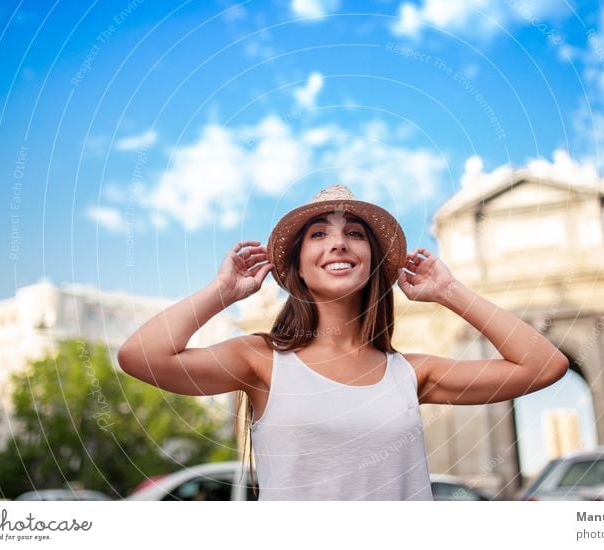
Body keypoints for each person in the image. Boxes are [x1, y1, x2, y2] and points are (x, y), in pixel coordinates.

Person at [117, 184, 569, 501]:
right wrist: (223, 292)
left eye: (354, 234)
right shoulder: (259, 360)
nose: (338, 244)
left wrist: (450, 293)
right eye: (320, 235)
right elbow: (140, 356)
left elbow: (544, 366)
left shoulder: (412, 373)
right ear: (298, 266)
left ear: (372, 262)